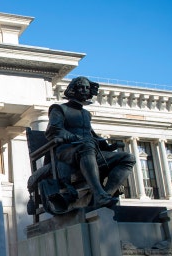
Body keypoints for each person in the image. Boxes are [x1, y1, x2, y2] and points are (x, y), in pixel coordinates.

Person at [45, 76, 136, 208]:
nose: (84, 90)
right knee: (87, 145)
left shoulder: (86, 114)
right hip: (67, 152)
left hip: (88, 150)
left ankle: (104, 195)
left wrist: (109, 146)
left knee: (128, 158)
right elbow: (53, 130)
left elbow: (92, 135)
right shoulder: (59, 109)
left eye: (87, 88)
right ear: (72, 90)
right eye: (81, 87)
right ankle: (100, 194)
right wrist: (71, 136)